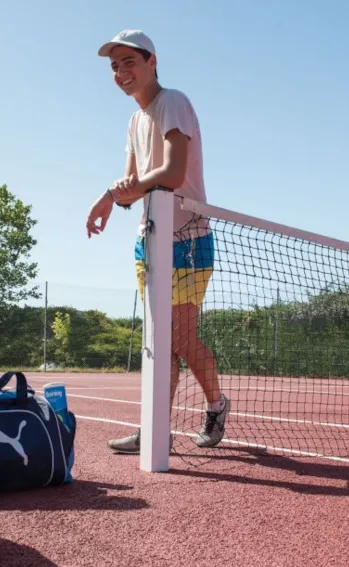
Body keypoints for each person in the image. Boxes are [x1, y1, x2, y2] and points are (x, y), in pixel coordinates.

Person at [87, 30, 229, 453]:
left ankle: (217, 405)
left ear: (152, 62)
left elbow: (170, 173)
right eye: (114, 67)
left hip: (188, 241)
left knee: (181, 340)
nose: (121, 72)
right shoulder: (133, 121)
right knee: (159, 343)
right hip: (148, 244)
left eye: (129, 62)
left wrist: (113, 194)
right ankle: (155, 429)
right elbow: (136, 188)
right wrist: (117, 196)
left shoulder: (174, 103)